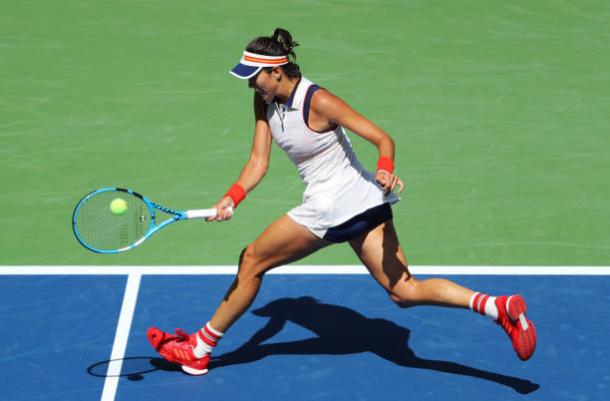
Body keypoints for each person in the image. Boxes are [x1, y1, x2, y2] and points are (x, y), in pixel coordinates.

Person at [147, 28, 537, 376]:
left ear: (277, 71)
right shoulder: (263, 103)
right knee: (404, 292)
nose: (252, 85)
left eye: (256, 77)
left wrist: (385, 167)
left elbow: (383, 138)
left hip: (332, 206)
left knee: (251, 260)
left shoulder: (319, 100)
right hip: (365, 204)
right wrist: (232, 198)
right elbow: (258, 161)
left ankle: (198, 349)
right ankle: (496, 307)